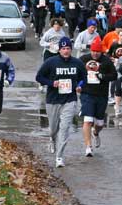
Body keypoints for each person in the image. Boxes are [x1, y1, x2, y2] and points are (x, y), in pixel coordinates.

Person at [35, 37, 86, 168]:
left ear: (71, 49)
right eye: (63, 48)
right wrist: (52, 83)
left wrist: (80, 86)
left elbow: (83, 78)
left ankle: (59, 156)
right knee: (53, 129)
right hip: (53, 100)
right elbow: (39, 77)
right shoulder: (51, 62)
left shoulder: (77, 63)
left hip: (70, 99)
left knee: (64, 128)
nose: (66, 51)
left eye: (68, 48)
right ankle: (52, 139)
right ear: (59, 50)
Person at [78, 37, 118, 156]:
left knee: (100, 123)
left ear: (101, 51)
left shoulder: (106, 61)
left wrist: (102, 76)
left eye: (98, 51)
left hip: (101, 95)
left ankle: (95, 133)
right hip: (87, 94)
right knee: (88, 119)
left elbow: (114, 75)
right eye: (93, 51)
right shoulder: (83, 59)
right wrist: (78, 85)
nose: (95, 53)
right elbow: (76, 74)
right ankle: (88, 147)